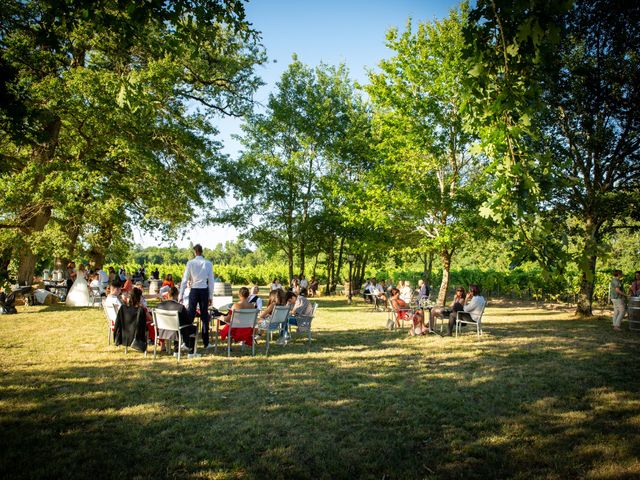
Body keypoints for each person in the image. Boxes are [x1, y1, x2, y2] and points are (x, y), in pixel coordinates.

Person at [179, 244, 215, 349]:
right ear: (202, 251)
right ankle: (206, 343)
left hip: (194, 290)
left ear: (195, 252)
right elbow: (211, 281)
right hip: (204, 290)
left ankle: (187, 342)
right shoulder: (208, 263)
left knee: (190, 316)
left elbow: (185, 279)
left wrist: (181, 294)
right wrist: (210, 296)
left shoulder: (190, 263)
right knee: (204, 316)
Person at [156, 286, 200, 358]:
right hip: (176, 330)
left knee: (178, 327)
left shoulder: (159, 306)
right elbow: (188, 321)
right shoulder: (180, 307)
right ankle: (191, 352)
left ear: (168, 295)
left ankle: (176, 351)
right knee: (192, 328)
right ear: (177, 295)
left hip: (163, 330)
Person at [113, 287, 147, 352]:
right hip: (136, 336)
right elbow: (143, 326)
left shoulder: (123, 308)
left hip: (125, 334)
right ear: (139, 298)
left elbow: (118, 322)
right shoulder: (140, 310)